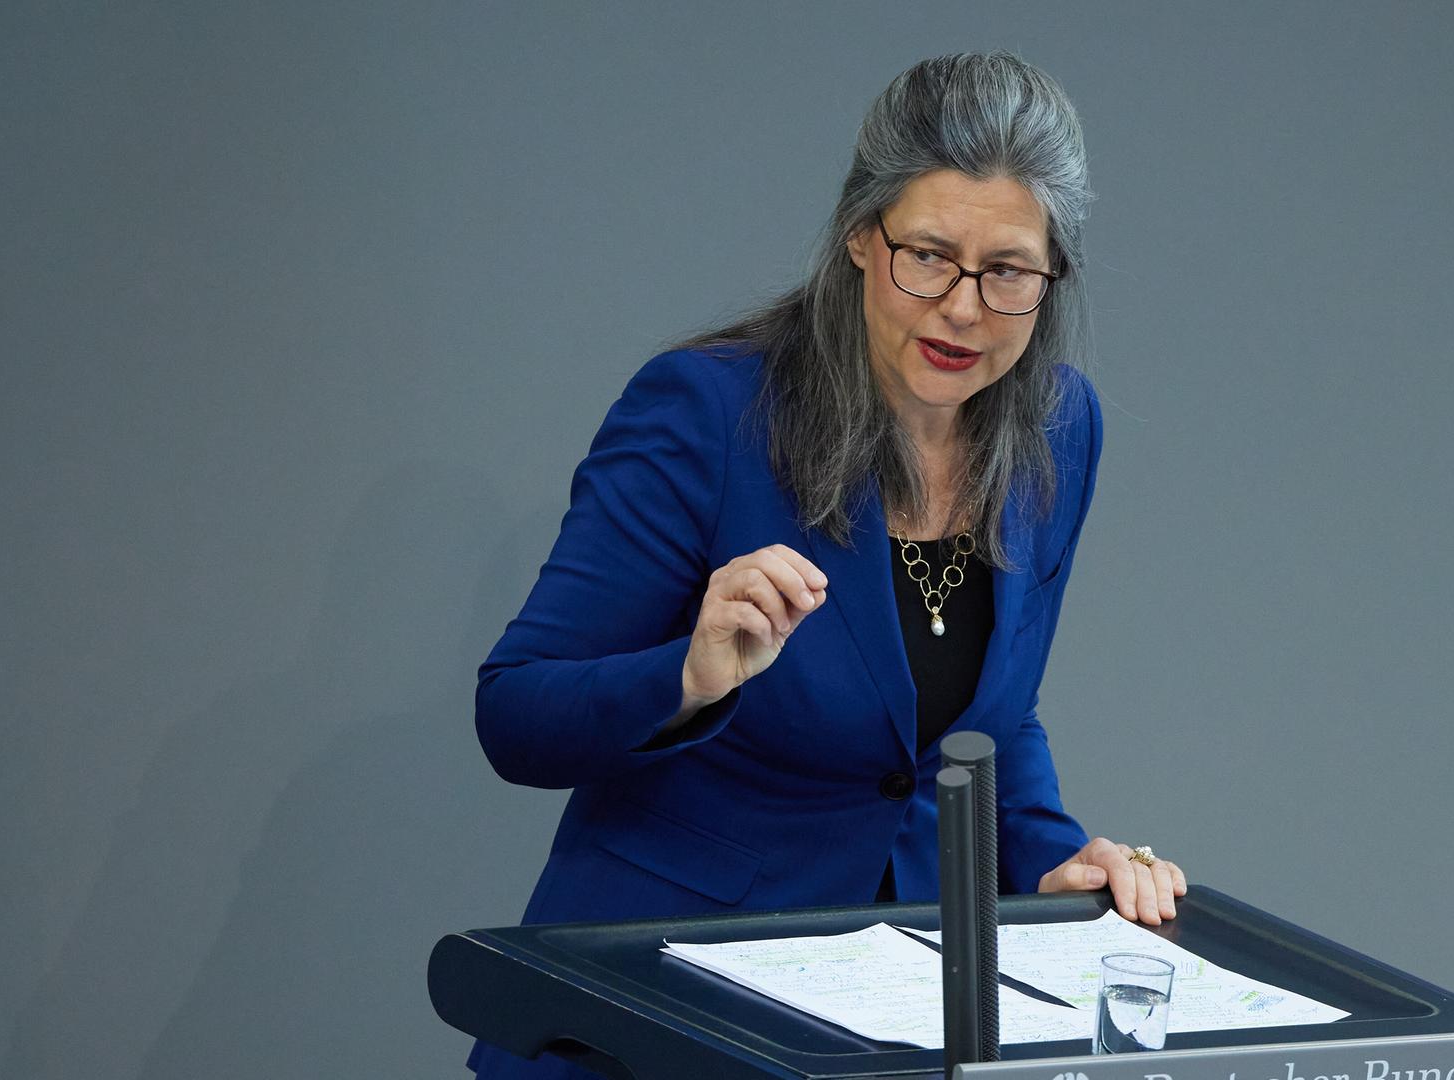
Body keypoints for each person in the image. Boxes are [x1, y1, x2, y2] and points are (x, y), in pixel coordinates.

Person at [469, 52, 1185, 1078]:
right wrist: (691, 673)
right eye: (928, 255)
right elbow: (515, 714)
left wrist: (1051, 858)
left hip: (885, 1025)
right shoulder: (708, 412)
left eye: (1009, 271)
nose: (965, 308)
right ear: (860, 234)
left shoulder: (1061, 430)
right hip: (658, 1013)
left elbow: (987, 721)